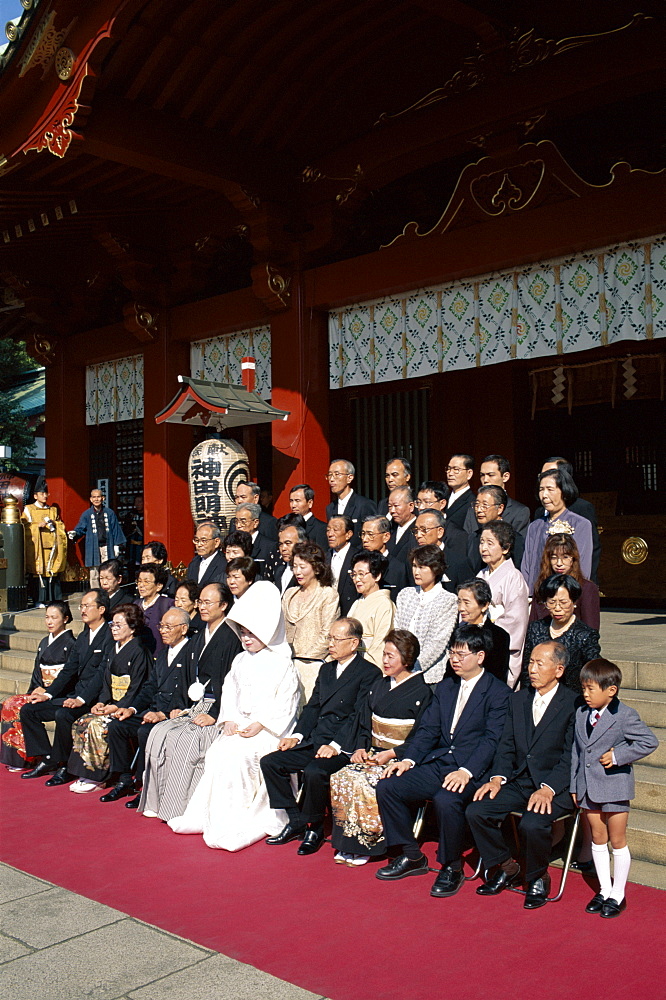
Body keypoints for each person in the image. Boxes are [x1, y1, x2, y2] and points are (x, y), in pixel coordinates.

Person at [374, 625, 510, 895]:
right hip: (439, 762)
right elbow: (428, 730)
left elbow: (491, 740)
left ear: (480, 656)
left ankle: (452, 865)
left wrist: (467, 771)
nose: (455, 659)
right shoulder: (446, 687)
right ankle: (412, 854)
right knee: (388, 785)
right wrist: (409, 760)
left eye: (462, 654)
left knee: (446, 799)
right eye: (452, 653)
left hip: (473, 769)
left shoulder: (498, 693)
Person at [168, 582, 300, 850]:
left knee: (241, 757)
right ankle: (214, 816)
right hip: (240, 725)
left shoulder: (283, 663)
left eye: (252, 633)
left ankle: (238, 818)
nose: (246, 639)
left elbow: (288, 703)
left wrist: (261, 725)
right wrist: (229, 719)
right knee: (219, 752)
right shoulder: (240, 660)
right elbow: (229, 693)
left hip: (268, 732)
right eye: (242, 633)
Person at [466, 641, 578, 909]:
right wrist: (497, 778)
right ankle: (505, 866)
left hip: (556, 786)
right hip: (519, 780)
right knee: (477, 811)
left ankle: (538, 876)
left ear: (559, 670)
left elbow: (571, 755)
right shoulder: (518, 699)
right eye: (530, 662)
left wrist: (549, 787)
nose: (532, 669)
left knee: (532, 823)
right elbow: (506, 745)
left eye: (540, 663)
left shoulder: (573, 703)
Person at [261, 617, 381, 855]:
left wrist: (336, 746)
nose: (331, 644)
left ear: (354, 642)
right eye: (330, 638)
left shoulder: (369, 673)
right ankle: (295, 820)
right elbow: (313, 707)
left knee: (316, 772)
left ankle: (314, 827)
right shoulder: (326, 669)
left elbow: (358, 716)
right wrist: (297, 735)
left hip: (345, 744)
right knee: (271, 762)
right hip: (317, 738)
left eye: (337, 639)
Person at [137, 582, 241, 821]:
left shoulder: (230, 637)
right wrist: (177, 707)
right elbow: (185, 678)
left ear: (224, 606)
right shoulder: (199, 635)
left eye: (208, 603)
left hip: (219, 706)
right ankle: (157, 800)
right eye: (200, 602)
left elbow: (231, 681)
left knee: (186, 740)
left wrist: (216, 713)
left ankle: (180, 807)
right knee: (159, 733)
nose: (202, 607)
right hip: (195, 703)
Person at [329, 629, 432, 866]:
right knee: (343, 777)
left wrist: (395, 754)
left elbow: (422, 734)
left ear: (407, 659)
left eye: (391, 656)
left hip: (399, 757)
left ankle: (369, 843)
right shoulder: (378, 685)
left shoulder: (422, 692)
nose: (385, 661)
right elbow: (365, 722)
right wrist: (361, 747)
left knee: (368, 783)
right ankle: (347, 843)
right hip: (374, 752)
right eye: (384, 655)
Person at [571, 658, 658, 918]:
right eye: (583, 689)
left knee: (617, 840)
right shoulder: (580, 713)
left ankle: (618, 893)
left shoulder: (625, 715)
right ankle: (604, 889)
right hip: (588, 787)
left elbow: (648, 742)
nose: (585, 694)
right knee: (598, 838)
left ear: (611, 690)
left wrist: (618, 755)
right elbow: (577, 751)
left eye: (591, 689)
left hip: (615, 786)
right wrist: (575, 783)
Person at [19, 590, 114, 784]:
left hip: (93, 699)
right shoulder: (83, 636)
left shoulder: (109, 636)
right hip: (75, 694)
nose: (83, 610)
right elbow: (69, 670)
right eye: (82, 606)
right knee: (29, 710)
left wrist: (80, 699)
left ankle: (63, 765)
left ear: (102, 609)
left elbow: (101, 675)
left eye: (88, 606)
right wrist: (48, 693)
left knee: (63, 715)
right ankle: (47, 757)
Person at [102, 606, 192, 805]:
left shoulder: (191, 654)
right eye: (161, 626)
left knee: (145, 732)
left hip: (175, 713)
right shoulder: (161, 655)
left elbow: (188, 690)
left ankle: (144, 784)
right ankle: (124, 779)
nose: (163, 630)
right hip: (152, 709)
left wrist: (164, 713)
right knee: (117, 725)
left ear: (183, 629)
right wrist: (131, 708)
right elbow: (149, 687)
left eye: (169, 627)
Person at [66, 603, 152, 793]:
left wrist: (117, 706)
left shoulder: (139, 651)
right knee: (82, 722)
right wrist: (100, 702)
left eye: (119, 625)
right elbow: (106, 680)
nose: (114, 629)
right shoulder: (114, 649)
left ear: (132, 627)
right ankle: (84, 772)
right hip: (111, 703)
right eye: (113, 624)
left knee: (98, 726)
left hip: (126, 706)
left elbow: (137, 687)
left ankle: (99, 777)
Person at [1, 601, 75, 769]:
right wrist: (36, 689)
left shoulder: (71, 644)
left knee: (21, 706)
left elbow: (69, 676)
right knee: (10, 703)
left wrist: (48, 691)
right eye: (47, 617)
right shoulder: (43, 642)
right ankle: (22, 757)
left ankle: (36, 756)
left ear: (65, 619)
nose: (49, 621)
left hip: (58, 693)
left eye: (54, 617)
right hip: (41, 689)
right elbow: (37, 672)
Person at [520, 575, 601, 694]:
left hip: (571, 699)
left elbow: (594, 671)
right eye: (552, 602)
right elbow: (527, 668)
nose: (557, 608)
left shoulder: (585, 635)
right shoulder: (536, 628)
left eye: (563, 602)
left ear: (574, 602)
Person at [282, 541, 340, 702]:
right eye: (295, 566)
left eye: (302, 566)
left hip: (315, 665)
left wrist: (305, 659)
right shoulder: (289, 594)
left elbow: (328, 633)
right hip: (288, 663)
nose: (297, 572)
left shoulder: (328, 594)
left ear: (316, 567)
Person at [522, 468, 593, 594]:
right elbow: (527, 565)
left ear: (564, 492)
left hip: (566, 596)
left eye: (550, 489)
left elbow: (583, 565)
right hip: (537, 594)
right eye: (541, 489)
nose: (544, 495)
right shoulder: (535, 526)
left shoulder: (580, 524)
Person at [395, 545, 458, 685]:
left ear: (436, 569)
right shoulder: (405, 594)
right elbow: (397, 631)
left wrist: (415, 668)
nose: (416, 571)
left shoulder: (448, 600)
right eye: (414, 566)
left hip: (430, 676)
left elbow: (438, 641)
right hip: (400, 670)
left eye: (422, 567)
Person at [477, 520, 528, 688]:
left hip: (499, 648)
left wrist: (486, 628)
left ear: (505, 548)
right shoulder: (481, 575)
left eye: (490, 543)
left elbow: (515, 620)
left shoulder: (514, 577)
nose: (483, 548)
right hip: (478, 645)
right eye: (482, 542)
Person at [537, 457, 600, 582]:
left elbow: (591, 549)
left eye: (550, 473)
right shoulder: (539, 513)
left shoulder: (581, 509)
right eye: (542, 474)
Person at [529, 533, 600, 629]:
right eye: (554, 557)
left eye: (565, 557)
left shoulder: (587, 588)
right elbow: (533, 624)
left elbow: (591, 628)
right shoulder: (541, 586)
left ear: (573, 559)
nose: (559, 563)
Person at [21, 480, 68, 606]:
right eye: (42, 493)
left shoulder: (53, 510)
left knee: (52, 571)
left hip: (51, 546)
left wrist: (54, 524)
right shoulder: (29, 509)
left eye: (46, 493)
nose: (45, 496)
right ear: (35, 495)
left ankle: (53, 599)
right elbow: (24, 526)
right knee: (38, 572)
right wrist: (37, 526)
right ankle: (38, 599)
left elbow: (60, 525)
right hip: (37, 547)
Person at [68, 488, 126, 588]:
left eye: (98, 497)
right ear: (90, 499)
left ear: (103, 498)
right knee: (94, 572)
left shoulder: (109, 513)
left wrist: (117, 545)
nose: (96, 499)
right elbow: (81, 528)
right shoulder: (86, 514)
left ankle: (109, 591)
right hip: (93, 546)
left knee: (108, 570)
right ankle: (96, 593)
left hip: (107, 546)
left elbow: (115, 529)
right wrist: (75, 533)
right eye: (94, 497)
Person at [348, 550, 396, 669]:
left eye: (361, 574)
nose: (356, 579)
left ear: (377, 576)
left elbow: (380, 645)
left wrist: (365, 670)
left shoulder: (384, 604)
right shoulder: (357, 603)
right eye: (354, 574)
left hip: (368, 668)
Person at [456, 579, 510, 684]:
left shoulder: (499, 637)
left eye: (467, 603)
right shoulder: (457, 632)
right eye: (459, 602)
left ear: (484, 605)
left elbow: (498, 676)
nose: (461, 608)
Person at [463, 455, 530, 537]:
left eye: (491, 475)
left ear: (505, 477)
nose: (485, 480)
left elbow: (519, 544)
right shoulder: (473, 510)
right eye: (482, 475)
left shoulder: (519, 511)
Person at [465, 485, 524, 573]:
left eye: (485, 505)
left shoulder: (515, 538)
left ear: (500, 508)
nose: (479, 510)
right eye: (477, 505)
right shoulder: (473, 537)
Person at [412, 508, 472, 591]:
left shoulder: (458, 561)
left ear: (440, 532)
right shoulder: (414, 560)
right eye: (416, 530)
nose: (418, 535)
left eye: (424, 530)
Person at [325, 459, 376, 541]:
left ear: (349, 478)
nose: (331, 479)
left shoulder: (364, 504)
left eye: (337, 474)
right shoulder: (330, 508)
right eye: (330, 475)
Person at [361, 515, 410, 601]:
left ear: (386, 537)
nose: (365, 539)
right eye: (363, 534)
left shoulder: (399, 568)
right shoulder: (358, 564)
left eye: (370, 534)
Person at [134, 563, 174, 655]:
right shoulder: (136, 604)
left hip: (160, 655)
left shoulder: (168, 604)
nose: (141, 585)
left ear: (159, 586)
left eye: (146, 582)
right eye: (139, 581)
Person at [326, 515, 360, 615]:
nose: (330, 534)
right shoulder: (324, 557)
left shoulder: (358, 557)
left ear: (348, 534)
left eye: (335, 530)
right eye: (328, 530)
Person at [234, 502, 274, 574]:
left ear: (255, 523)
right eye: (236, 521)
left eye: (243, 521)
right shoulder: (234, 544)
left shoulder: (270, 546)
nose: (238, 525)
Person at [186, 520, 226, 587]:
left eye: (204, 540)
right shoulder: (194, 562)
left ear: (216, 542)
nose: (199, 544)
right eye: (197, 540)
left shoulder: (223, 563)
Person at [289, 484, 328, 550]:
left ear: (310, 503)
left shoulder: (321, 528)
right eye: (291, 501)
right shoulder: (289, 525)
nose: (293, 505)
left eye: (297, 501)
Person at [271, 520, 306, 594]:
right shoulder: (279, 570)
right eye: (280, 544)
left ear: (302, 544)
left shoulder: (307, 572)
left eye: (288, 543)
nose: (283, 548)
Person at [385, 487, 417, 563]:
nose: (392, 511)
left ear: (411, 506)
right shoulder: (389, 528)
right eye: (390, 506)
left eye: (396, 506)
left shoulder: (418, 529)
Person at [444, 455, 476, 529]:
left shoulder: (472, 502)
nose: (450, 473)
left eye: (456, 469)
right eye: (448, 469)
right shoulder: (444, 498)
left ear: (469, 473)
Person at [122, 493, 143, 583]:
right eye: (136, 502)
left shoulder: (147, 514)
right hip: (131, 547)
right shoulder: (130, 515)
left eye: (140, 502)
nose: (137, 504)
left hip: (142, 546)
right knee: (131, 567)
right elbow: (125, 530)